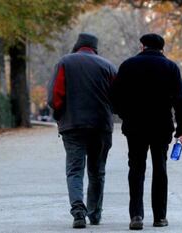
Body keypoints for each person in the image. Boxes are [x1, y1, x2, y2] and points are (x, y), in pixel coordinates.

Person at [111, 33, 182, 230]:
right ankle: (159, 217)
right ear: (162, 48)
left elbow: (114, 96)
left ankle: (136, 215)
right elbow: (180, 100)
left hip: (135, 126)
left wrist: (124, 114)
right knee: (160, 169)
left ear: (142, 46)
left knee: (136, 169)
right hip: (161, 125)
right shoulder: (170, 67)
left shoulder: (128, 65)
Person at [48, 33, 117, 229]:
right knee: (97, 171)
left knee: (75, 170)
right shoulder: (108, 66)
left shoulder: (65, 62)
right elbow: (117, 98)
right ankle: (95, 214)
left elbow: (55, 96)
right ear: (95, 48)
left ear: (77, 46)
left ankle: (78, 212)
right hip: (100, 126)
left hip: (72, 125)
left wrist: (60, 113)